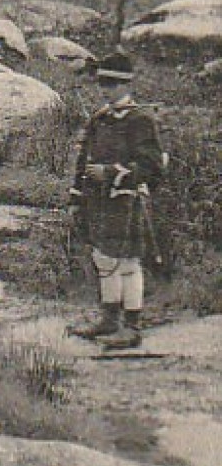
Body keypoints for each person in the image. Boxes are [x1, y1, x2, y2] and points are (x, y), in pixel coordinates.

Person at [68, 48, 167, 349]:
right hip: (97, 200)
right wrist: (76, 196)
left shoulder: (141, 119)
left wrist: (112, 173)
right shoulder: (100, 118)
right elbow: (84, 159)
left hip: (126, 198)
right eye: (103, 84)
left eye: (112, 84)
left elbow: (152, 166)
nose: (106, 90)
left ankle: (132, 326)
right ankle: (109, 319)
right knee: (103, 257)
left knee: (128, 261)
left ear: (127, 85)